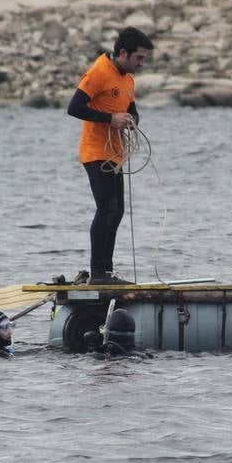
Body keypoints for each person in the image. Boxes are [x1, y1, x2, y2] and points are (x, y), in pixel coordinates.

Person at [66, 26, 154, 285]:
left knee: (117, 211)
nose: (141, 63)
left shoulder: (128, 79)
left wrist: (130, 120)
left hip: (115, 154)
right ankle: (98, 273)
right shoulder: (99, 71)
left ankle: (107, 271)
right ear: (123, 52)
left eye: (144, 59)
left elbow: (132, 110)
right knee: (106, 208)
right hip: (95, 151)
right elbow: (74, 107)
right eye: (139, 58)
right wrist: (110, 119)